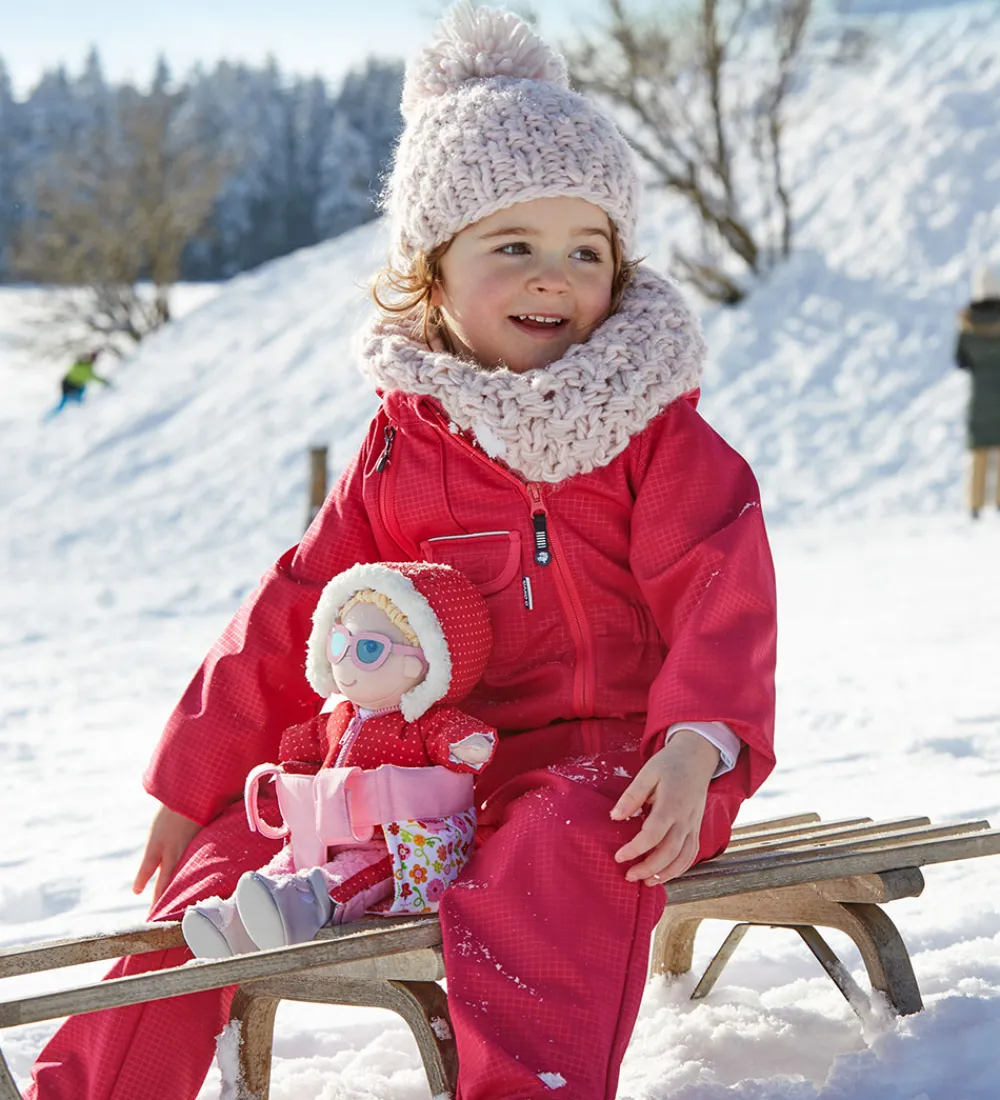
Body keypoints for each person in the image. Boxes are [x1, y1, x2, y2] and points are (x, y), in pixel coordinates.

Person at [25, 6, 777, 1100]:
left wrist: (699, 743)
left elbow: (723, 588)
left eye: (585, 248)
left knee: (563, 838)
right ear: (431, 274)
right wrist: (194, 780)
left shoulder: (653, 434)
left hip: (629, 771)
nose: (551, 276)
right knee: (232, 856)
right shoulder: (403, 446)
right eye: (510, 246)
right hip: (420, 780)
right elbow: (299, 609)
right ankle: (86, 1086)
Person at [181, 560, 496, 958]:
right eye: (338, 644)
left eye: (368, 650)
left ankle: (303, 906)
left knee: (347, 878)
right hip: (320, 836)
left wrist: (467, 746)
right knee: (282, 869)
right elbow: (303, 748)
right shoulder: (337, 719)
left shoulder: (421, 724)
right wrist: (297, 776)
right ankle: (232, 923)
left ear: (423, 663)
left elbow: (456, 740)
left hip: (393, 847)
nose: (345, 662)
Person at [955, 263, 1000, 518]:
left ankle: (975, 505)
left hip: (979, 400)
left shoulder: (967, 326)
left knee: (979, 455)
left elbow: (960, 360)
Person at [46, 350, 111, 417]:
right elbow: (93, 376)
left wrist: (104, 382)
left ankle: (77, 409)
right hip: (69, 384)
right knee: (65, 401)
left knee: (73, 398)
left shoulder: (85, 366)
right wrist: (105, 382)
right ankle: (53, 416)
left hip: (72, 383)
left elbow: (93, 376)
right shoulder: (83, 366)